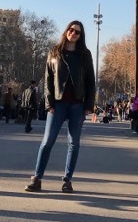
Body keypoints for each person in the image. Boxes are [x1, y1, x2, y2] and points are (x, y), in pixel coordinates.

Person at [25, 20, 95, 194]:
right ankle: (37, 178)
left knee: (74, 143)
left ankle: (67, 180)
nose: (73, 33)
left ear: (81, 36)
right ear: (66, 31)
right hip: (58, 104)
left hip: (77, 105)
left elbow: (90, 82)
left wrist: (89, 105)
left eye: (77, 32)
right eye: (71, 30)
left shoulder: (85, 54)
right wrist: (49, 103)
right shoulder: (54, 52)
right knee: (47, 141)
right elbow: (48, 80)